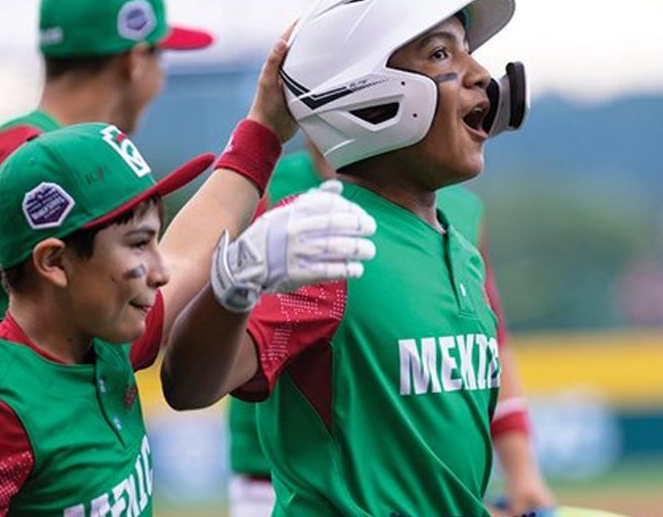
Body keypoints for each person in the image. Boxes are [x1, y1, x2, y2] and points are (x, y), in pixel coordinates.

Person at [161, 0, 533, 513]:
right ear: (369, 93)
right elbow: (189, 385)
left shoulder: (460, 247)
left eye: (469, 53)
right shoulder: (327, 237)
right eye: (442, 53)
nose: (482, 77)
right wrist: (233, 285)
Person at [0, 23, 377, 513]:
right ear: (54, 263)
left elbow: (190, 254)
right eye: (137, 245)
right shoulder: (1, 407)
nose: (160, 270)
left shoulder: (106, 346)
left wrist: (265, 127)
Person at [226, 143, 553, 516]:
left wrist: (522, 469)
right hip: (275, 480)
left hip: (416, 487)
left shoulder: (462, 210)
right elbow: (204, 346)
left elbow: (492, 343)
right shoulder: (264, 188)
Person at [0, 0, 214, 327]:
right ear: (135, 60)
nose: (160, 78)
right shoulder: (22, 159)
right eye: (161, 58)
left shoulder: (26, 149)